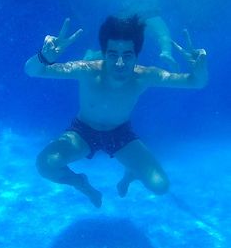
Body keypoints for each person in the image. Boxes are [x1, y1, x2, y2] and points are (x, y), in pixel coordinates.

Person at [24, 16, 207, 208]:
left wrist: (199, 69)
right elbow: (33, 71)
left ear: (136, 55)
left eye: (127, 55)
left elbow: (196, 82)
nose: (120, 63)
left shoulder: (145, 76)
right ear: (103, 53)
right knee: (46, 165)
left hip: (121, 134)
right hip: (83, 132)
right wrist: (44, 58)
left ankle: (131, 171)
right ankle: (81, 183)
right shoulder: (86, 70)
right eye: (112, 54)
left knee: (160, 186)